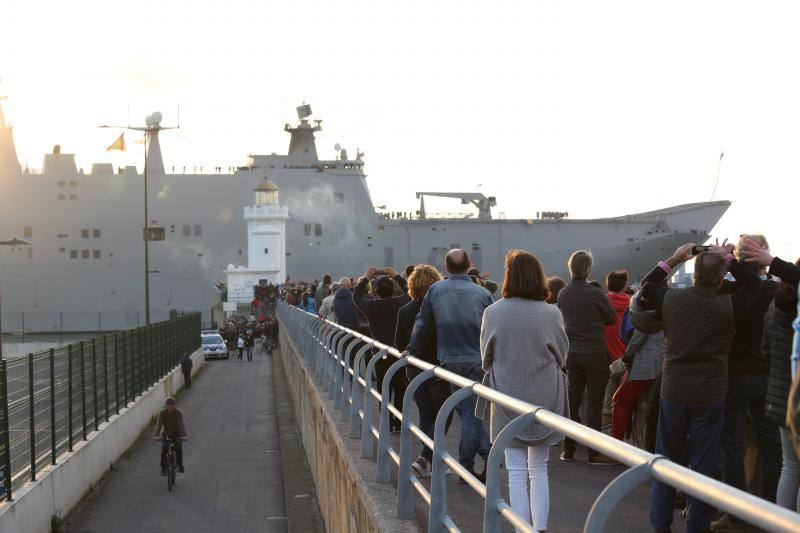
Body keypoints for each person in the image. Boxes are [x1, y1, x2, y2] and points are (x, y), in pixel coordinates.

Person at [638, 242, 761, 533]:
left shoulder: (671, 300)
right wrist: (728, 258)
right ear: (721, 278)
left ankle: (660, 524)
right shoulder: (728, 305)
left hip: (674, 390)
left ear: (693, 275)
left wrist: (676, 257)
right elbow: (753, 282)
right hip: (710, 392)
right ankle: (697, 525)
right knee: (703, 464)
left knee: (666, 460)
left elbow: (647, 285)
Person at [479, 250, 568, 532]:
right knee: (539, 469)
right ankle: (540, 528)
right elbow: (562, 355)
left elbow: (486, 357)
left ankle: (521, 528)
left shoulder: (492, 312)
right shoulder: (551, 312)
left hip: (507, 396)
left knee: (516, 472)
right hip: (543, 395)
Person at [712, 235, 782, 530]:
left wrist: (724, 260)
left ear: (739, 260)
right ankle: (772, 508)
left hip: (735, 374)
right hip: (769, 376)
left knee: (732, 443)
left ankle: (737, 512)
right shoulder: (780, 292)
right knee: (771, 445)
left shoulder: (729, 289)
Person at [410, 249, 493, 481]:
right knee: (470, 413)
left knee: (465, 411)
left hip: (448, 361)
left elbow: (422, 324)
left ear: (446, 268)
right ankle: (475, 460)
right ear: (470, 264)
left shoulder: (435, 291)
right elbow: (492, 329)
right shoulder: (483, 293)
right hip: (477, 360)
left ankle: (478, 458)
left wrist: (412, 351)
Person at [557, 250, 618, 465]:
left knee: (572, 401)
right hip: (594, 352)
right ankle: (593, 451)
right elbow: (611, 318)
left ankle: (569, 449)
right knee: (594, 402)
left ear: (570, 267)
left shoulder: (563, 293)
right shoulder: (594, 293)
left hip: (571, 353)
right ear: (589, 268)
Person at [395, 264, 452, 477]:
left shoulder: (404, 310)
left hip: (413, 368)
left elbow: (399, 341)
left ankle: (430, 460)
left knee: (427, 415)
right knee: (444, 417)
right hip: (437, 368)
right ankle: (426, 458)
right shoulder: (438, 310)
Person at [353, 266, 410, 432]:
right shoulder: (399, 304)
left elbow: (356, 297)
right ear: (393, 291)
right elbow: (411, 293)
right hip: (398, 351)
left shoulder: (371, 307)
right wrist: (397, 276)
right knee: (400, 388)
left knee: (384, 388)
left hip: (379, 353)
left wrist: (366, 277)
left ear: (376, 292)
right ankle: (398, 422)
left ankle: (386, 422)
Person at [763, 276, 800, 512]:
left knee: (790, 466)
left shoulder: (773, 310)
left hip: (779, 398)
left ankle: (782, 525)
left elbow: (764, 349)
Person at [611, 328, 665, 441]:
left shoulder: (650, 311)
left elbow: (639, 336)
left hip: (646, 363)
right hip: (661, 362)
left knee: (620, 401)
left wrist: (627, 355)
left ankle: (616, 445)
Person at [602, 270, 632, 429]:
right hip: (627, 361)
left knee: (606, 407)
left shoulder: (601, 304)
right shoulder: (633, 303)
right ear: (624, 285)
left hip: (606, 361)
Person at [154, 396, 188, 475]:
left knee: (178, 448)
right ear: (166, 406)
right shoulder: (162, 413)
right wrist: (156, 435)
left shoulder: (178, 413)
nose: (170, 408)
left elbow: (181, 425)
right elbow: (159, 425)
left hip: (177, 435)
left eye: (172, 406)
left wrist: (183, 435)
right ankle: (163, 468)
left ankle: (180, 465)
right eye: (168, 406)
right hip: (166, 435)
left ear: (174, 406)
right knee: (165, 449)